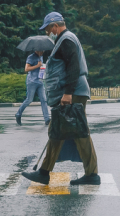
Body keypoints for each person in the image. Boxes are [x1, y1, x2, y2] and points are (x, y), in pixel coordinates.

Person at [22, 12, 100, 186]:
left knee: (79, 132)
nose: (47, 33)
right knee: (58, 130)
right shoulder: (63, 40)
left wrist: (68, 93)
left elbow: (74, 67)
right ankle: (44, 172)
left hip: (74, 93)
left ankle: (91, 174)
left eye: (48, 29)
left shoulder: (66, 40)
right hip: (71, 92)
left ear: (55, 26)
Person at [15, 50, 49, 126]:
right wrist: (37, 65)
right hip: (32, 81)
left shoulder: (41, 57)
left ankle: (47, 119)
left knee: (44, 100)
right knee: (29, 100)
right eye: (41, 50)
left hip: (40, 81)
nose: (43, 51)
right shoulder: (31, 57)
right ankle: (18, 114)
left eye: (43, 50)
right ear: (36, 50)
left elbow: (40, 68)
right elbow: (26, 69)